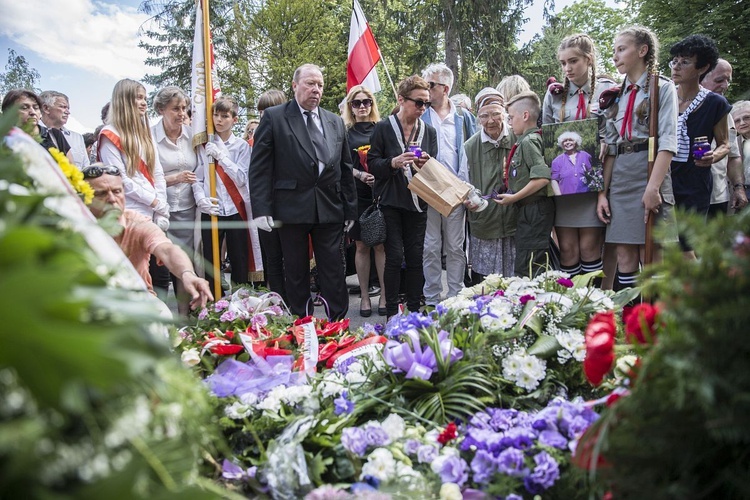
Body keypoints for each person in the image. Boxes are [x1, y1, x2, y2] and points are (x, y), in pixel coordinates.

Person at [248, 64, 358, 320]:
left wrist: (350, 208)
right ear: (295, 85)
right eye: (310, 83)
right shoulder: (275, 117)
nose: (316, 90)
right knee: (296, 271)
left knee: (333, 270)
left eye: (319, 85)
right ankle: (302, 325)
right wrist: (261, 209)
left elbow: (345, 168)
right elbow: (260, 168)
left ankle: (338, 324)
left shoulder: (334, 121)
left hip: (329, 207)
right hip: (290, 207)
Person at [597, 26, 679, 291]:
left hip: (650, 171)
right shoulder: (614, 96)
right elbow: (610, 147)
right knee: (624, 256)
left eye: (621, 49)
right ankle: (631, 323)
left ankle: (657, 326)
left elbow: (667, 141)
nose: (615, 56)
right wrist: (602, 193)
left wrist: (653, 188)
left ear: (642, 51)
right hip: (621, 177)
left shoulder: (662, 88)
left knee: (653, 257)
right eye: (614, 51)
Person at [83, 164, 212, 310]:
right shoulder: (73, 228)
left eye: (117, 191)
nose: (112, 199)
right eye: (101, 194)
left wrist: (187, 274)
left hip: (139, 304)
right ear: (84, 199)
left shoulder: (138, 223)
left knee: (163, 313)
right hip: (91, 309)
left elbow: (167, 250)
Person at [543, 34, 617, 279]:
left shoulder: (607, 90)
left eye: (573, 61)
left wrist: (605, 141)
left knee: (589, 248)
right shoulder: (554, 94)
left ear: (589, 59)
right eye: (563, 63)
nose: (567, 68)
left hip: (595, 181)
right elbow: (546, 134)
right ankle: (571, 309)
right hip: (565, 185)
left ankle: (593, 308)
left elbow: (614, 133)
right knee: (567, 250)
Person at [368, 75, 437, 317]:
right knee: (395, 257)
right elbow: (373, 164)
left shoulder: (428, 131)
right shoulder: (384, 127)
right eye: (418, 102)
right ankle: (391, 312)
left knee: (417, 257)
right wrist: (393, 162)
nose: (423, 108)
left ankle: (415, 311)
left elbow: (433, 168)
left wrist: (426, 162)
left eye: (426, 103)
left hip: (418, 202)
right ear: (401, 99)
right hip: (391, 201)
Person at [98, 78, 171, 296]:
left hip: (154, 214)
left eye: (144, 98)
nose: (143, 103)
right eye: (138, 98)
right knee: (137, 277)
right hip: (130, 214)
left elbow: (158, 172)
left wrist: (161, 205)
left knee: (160, 276)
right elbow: (120, 180)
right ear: (124, 100)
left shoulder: (144, 133)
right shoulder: (109, 134)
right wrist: (155, 201)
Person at [669, 35, 731, 241]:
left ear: (702, 68)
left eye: (685, 62)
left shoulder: (715, 103)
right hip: (664, 178)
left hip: (695, 182)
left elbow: (725, 144)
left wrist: (712, 156)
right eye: (675, 61)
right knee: (664, 242)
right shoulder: (663, 97)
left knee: (687, 244)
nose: (676, 67)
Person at [420, 63, 473, 305]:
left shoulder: (464, 118)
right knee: (430, 246)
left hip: (456, 190)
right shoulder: (421, 115)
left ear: (445, 88)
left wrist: (469, 188)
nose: (426, 89)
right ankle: (431, 297)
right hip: (429, 189)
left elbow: (472, 152)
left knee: (455, 246)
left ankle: (455, 295)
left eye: (430, 85)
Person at [195, 96, 257, 290]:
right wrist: (200, 199)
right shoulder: (203, 145)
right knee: (210, 261)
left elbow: (241, 178)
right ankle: (214, 303)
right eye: (215, 115)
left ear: (234, 119)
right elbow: (197, 178)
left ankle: (241, 303)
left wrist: (222, 157)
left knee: (239, 259)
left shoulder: (241, 146)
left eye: (224, 116)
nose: (219, 120)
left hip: (234, 209)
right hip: (211, 208)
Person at [494, 91, 554, 278]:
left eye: (511, 117)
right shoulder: (525, 140)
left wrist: (514, 198)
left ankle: (534, 304)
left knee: (530, 265)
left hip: (534, 210)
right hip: (528, 210)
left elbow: (542, 178)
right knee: (526, 260)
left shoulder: (530, 141)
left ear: (525, 115)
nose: (509, 123)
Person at [152, 86, 201, 315]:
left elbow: (201, 168)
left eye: (184, 108)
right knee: (159, 265)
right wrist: (174, 178)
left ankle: (184, 317)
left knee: (185, 264)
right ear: (161, 109)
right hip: (158, 210)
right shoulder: (150, 136)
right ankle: (159, 315)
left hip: (187, 209)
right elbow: (147, 176)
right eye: (175, 109)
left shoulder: (192, 134)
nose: (182, 113)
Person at [463, 88, 517, 281]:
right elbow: (464, 181)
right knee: (485, 281)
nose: (491, 120)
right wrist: (468, 199)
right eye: (484, 115)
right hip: (484, 219)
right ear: (478, 117)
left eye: (496, 114)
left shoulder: (517, 139)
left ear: (504, 113)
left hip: (514, 218)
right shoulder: (470, 146)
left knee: (514, 278)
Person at [343, 85, 386, 317]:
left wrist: (377, 174)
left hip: (380, 192)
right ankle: (365, 297)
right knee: (361, 245)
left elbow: (388, 158)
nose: (362, 106)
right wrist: (360, 174)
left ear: (372, 104)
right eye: (356, 102)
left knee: (381, 244)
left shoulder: (382, 128)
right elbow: (341, 164)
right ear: (350, 106)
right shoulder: (345, 132)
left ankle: (385, 295)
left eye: (366, 101)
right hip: (356, 194)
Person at [252, 89, 288, 300]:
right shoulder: (260, 133)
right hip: (268, 202)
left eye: (268, 109)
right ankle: (278, 299)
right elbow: (257, 172)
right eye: (261, 111)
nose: (263, 115)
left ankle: (294, 300)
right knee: (272, 257)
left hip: (290, 202)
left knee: (292, 257)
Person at [701, 59, 747, 215]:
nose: (725, 86)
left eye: (728, 80)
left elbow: (733, 156)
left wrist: (739, 188)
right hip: (682, 195)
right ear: (700, 76)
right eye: (719, 80)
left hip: (718, 197)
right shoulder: (677, 106)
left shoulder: (725, 113)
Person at [1, 89, 73, 160]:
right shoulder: (4, 140)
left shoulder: (55, 135)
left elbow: (71, 169)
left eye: (36, 108)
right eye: (24, 108)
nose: (33, 112)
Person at [39, 90, 90, 168]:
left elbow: (86, 168)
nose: (68, 112)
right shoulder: (29, 133)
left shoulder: (77, 138)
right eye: (63, 107)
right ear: (46, 108)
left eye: (68, 108)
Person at [550, 131, 595, 196]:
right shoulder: (556, 161)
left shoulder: (585, 155)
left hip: (587, 195)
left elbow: (591, 174)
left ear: (576, 142)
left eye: (570, 140)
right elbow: (554, 181)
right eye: (565, 141)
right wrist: (560, 197)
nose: (567, 142)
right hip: (566, 197)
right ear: (562, 144)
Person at [733, 101, 750, 207]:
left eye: (747, 118)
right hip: (743, 193)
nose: (742, 123)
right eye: (737, 121)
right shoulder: (732, 144)